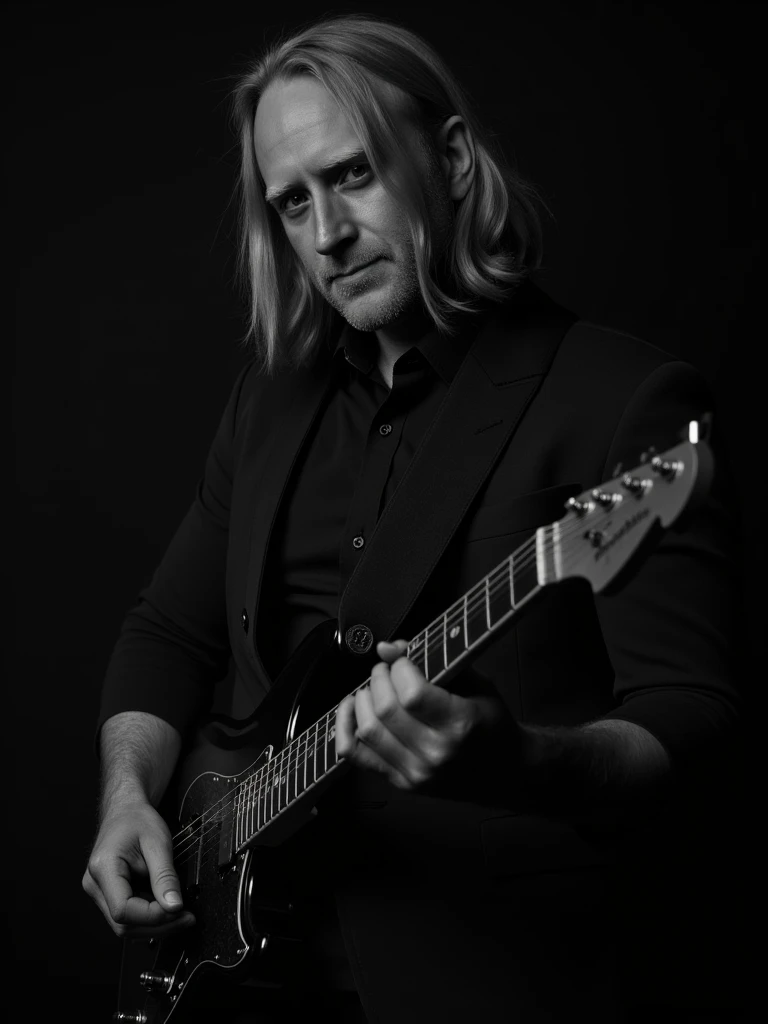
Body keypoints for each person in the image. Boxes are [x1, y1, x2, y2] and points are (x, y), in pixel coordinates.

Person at [82, 14, 740, 1023]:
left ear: (452, 157)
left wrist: (516, 758)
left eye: (352, 175)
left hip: (485, 974)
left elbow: (692, 726)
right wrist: (128, 796)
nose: (326, 234)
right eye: (292, 204)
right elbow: (169, 632)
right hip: (240, 979)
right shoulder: (269, 403)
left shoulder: (620, 399)